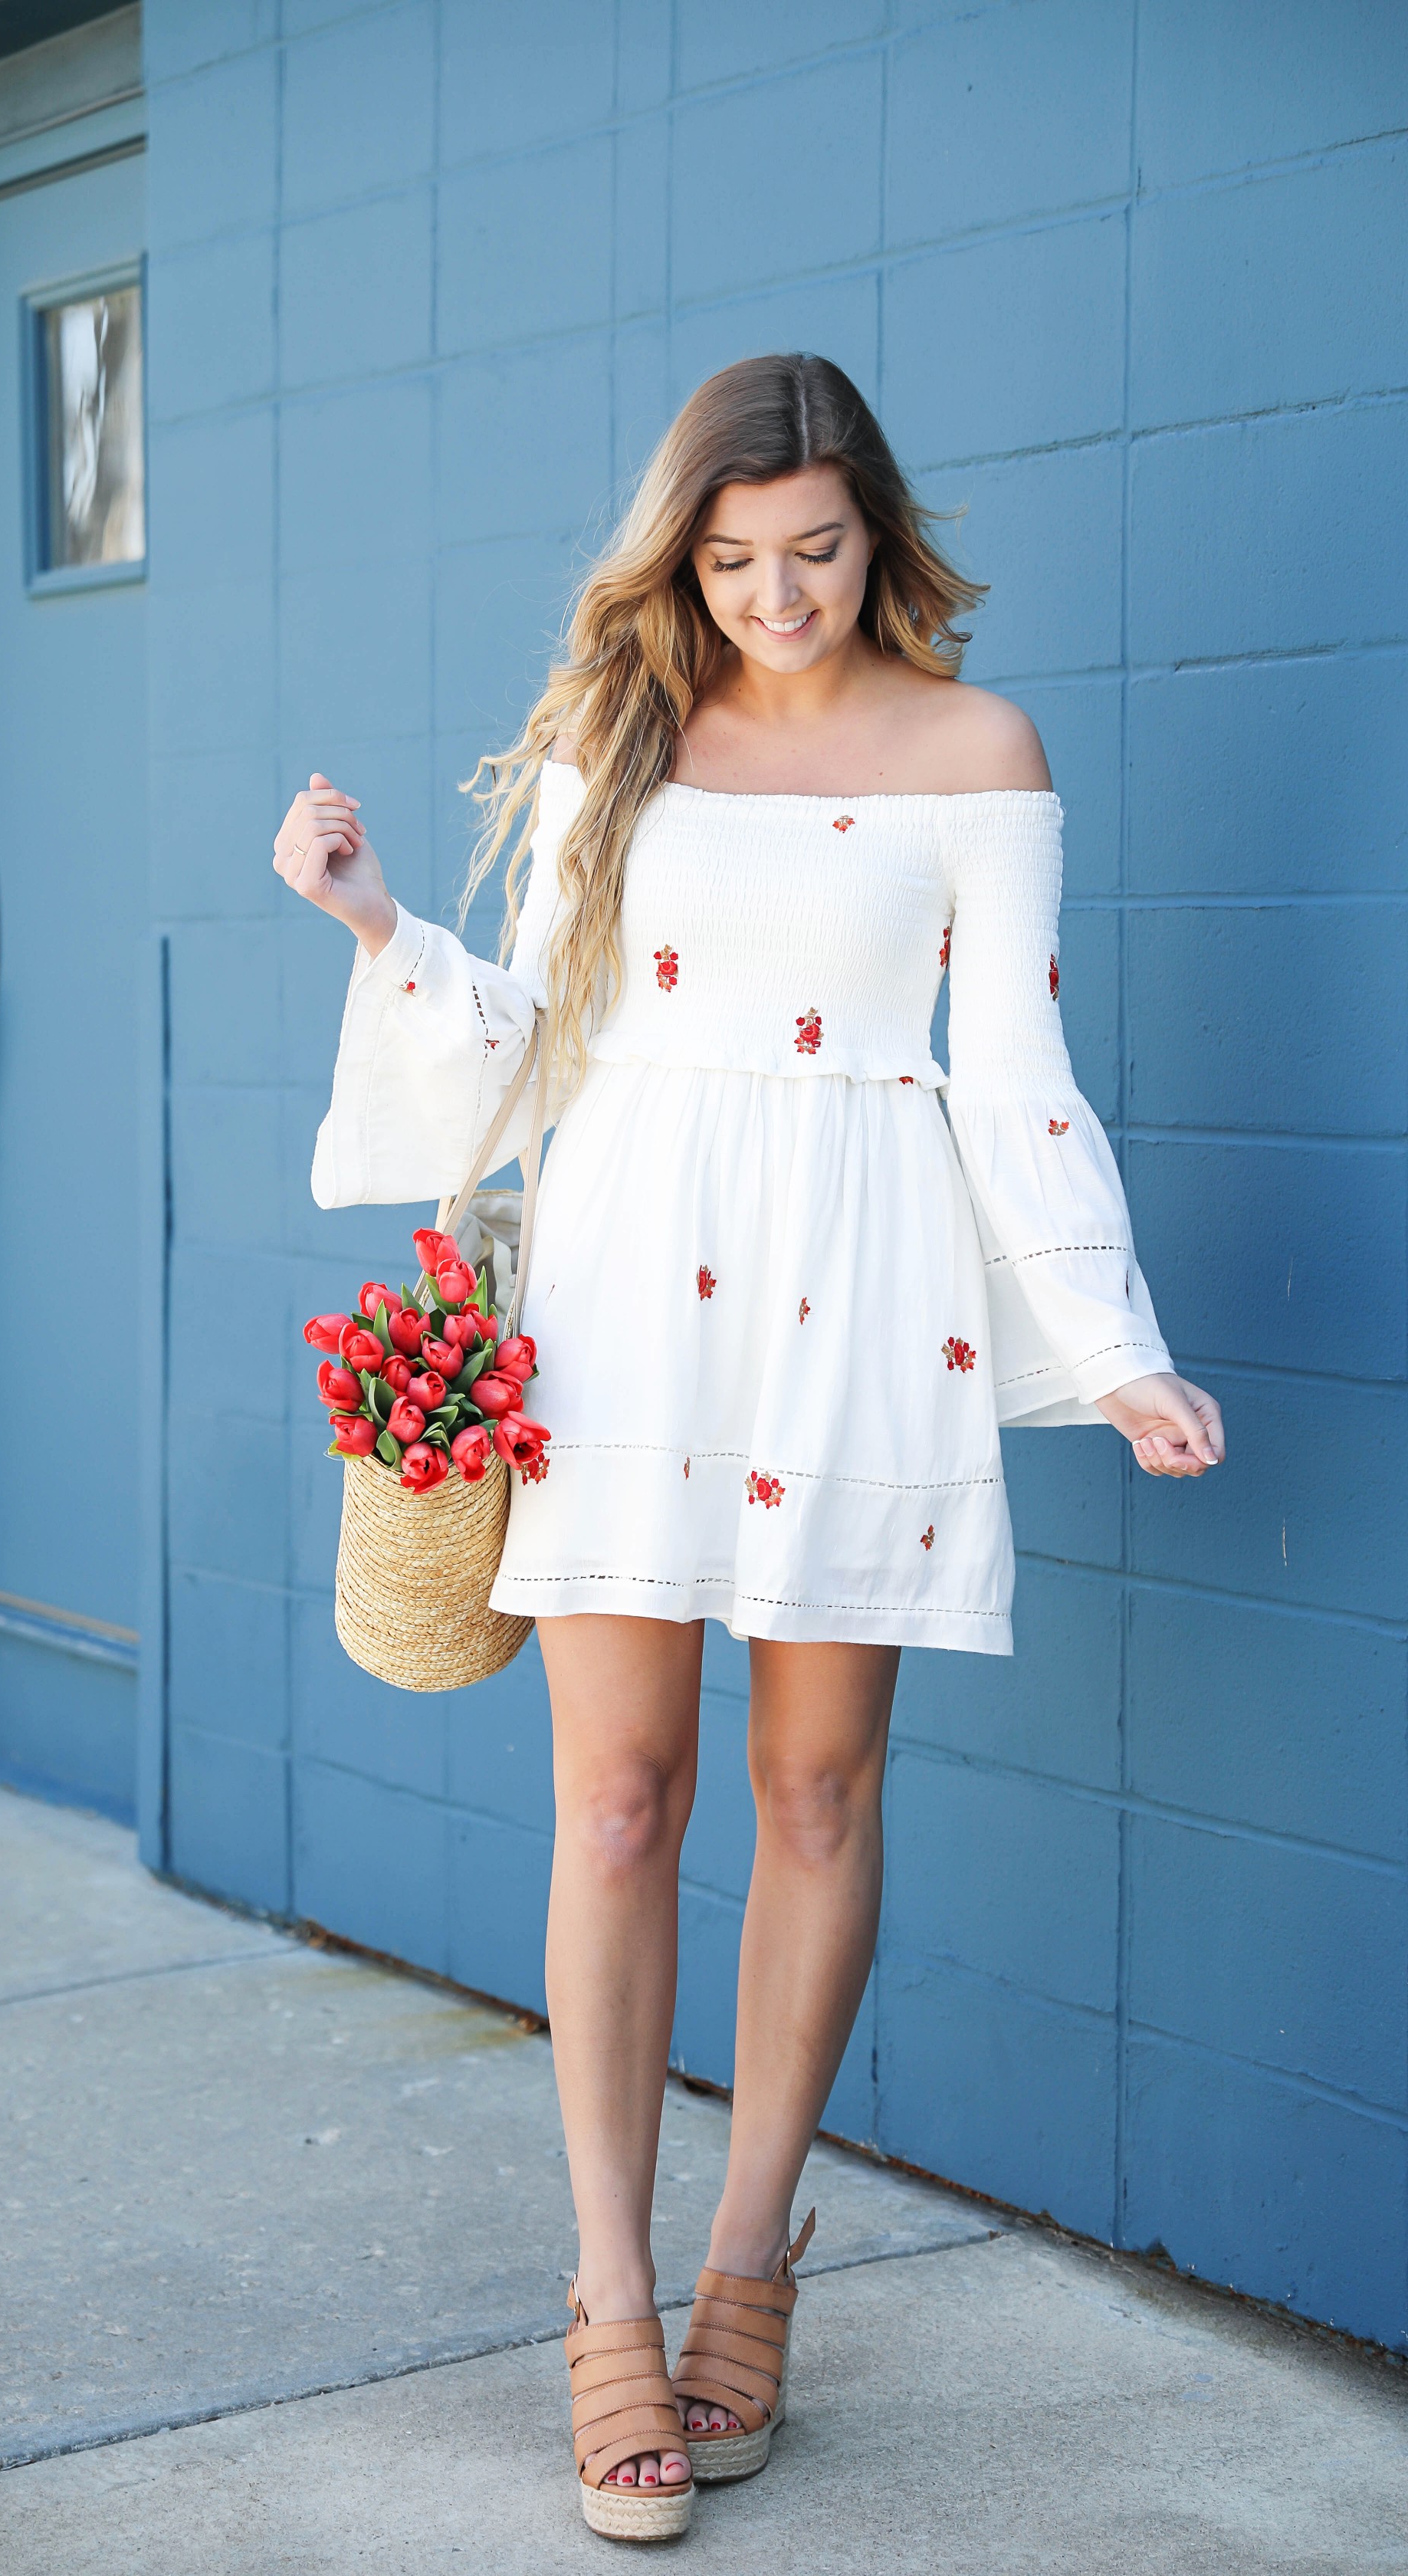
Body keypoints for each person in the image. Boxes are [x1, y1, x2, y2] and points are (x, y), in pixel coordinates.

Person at [275, 353, 1223, 2542]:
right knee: (618, 1795)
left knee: (815, 1786)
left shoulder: (983, 754)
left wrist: (1117, 1338)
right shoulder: (620, 733)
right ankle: (607, 2289)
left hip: (862, 1305)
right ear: (679, 555)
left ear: (876, 529)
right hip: (626, 1288)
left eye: (811, 552)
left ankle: (749, 2254)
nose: (774, 596)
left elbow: (1015, 1075)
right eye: (729, 560)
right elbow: (523, 1045)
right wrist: (373, 929)